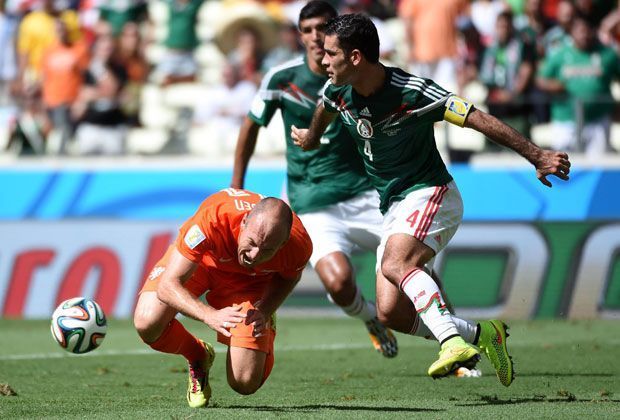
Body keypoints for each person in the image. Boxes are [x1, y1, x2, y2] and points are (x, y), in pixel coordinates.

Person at [292, 13, 571, 385]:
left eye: (330, 54)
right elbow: (323, 111)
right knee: (390, 312)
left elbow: (475, 117)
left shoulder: (413, 91)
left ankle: (451, 342)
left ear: (355, 57)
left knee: (396, 263)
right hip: (392, 205)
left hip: (431, 192)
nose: (322, 61)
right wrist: (311, 138)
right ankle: (484, 335)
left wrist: (537, 155)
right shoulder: (336, 91)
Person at [231, 1, 398, 359]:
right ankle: (370, 317)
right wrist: (237, 186)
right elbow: (249, 127)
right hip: (310, 199)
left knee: (410, 268)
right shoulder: (282, 79)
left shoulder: (357, 73)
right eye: (306, 30)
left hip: (366, 192)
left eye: (321, 28)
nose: (314, 37)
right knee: (338, 283)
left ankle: (456, 340)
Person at [134, 189, 312, 408]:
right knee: (147, 321)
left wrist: (265, 309)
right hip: (202, 264)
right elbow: (168, 286)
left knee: (244, 382)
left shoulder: (299, 245)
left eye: (267, 250)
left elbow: (288, 278)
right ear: (245, 221)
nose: (254, 255)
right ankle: (199, 356)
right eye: (253, 242)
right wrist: (210, 315)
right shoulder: (213, 219)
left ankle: (266, 324)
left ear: (284, 243)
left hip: (250, 285)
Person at [537, 14, 620, 156]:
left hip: (597, 121)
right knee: (563, 166)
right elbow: (541, 79)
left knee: (598, 169)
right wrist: (555, 85)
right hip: (566, 121)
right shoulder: (560, 54)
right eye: (580, 31)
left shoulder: (607, 54)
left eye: (587, 30)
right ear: (572, 32)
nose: (584, 35)